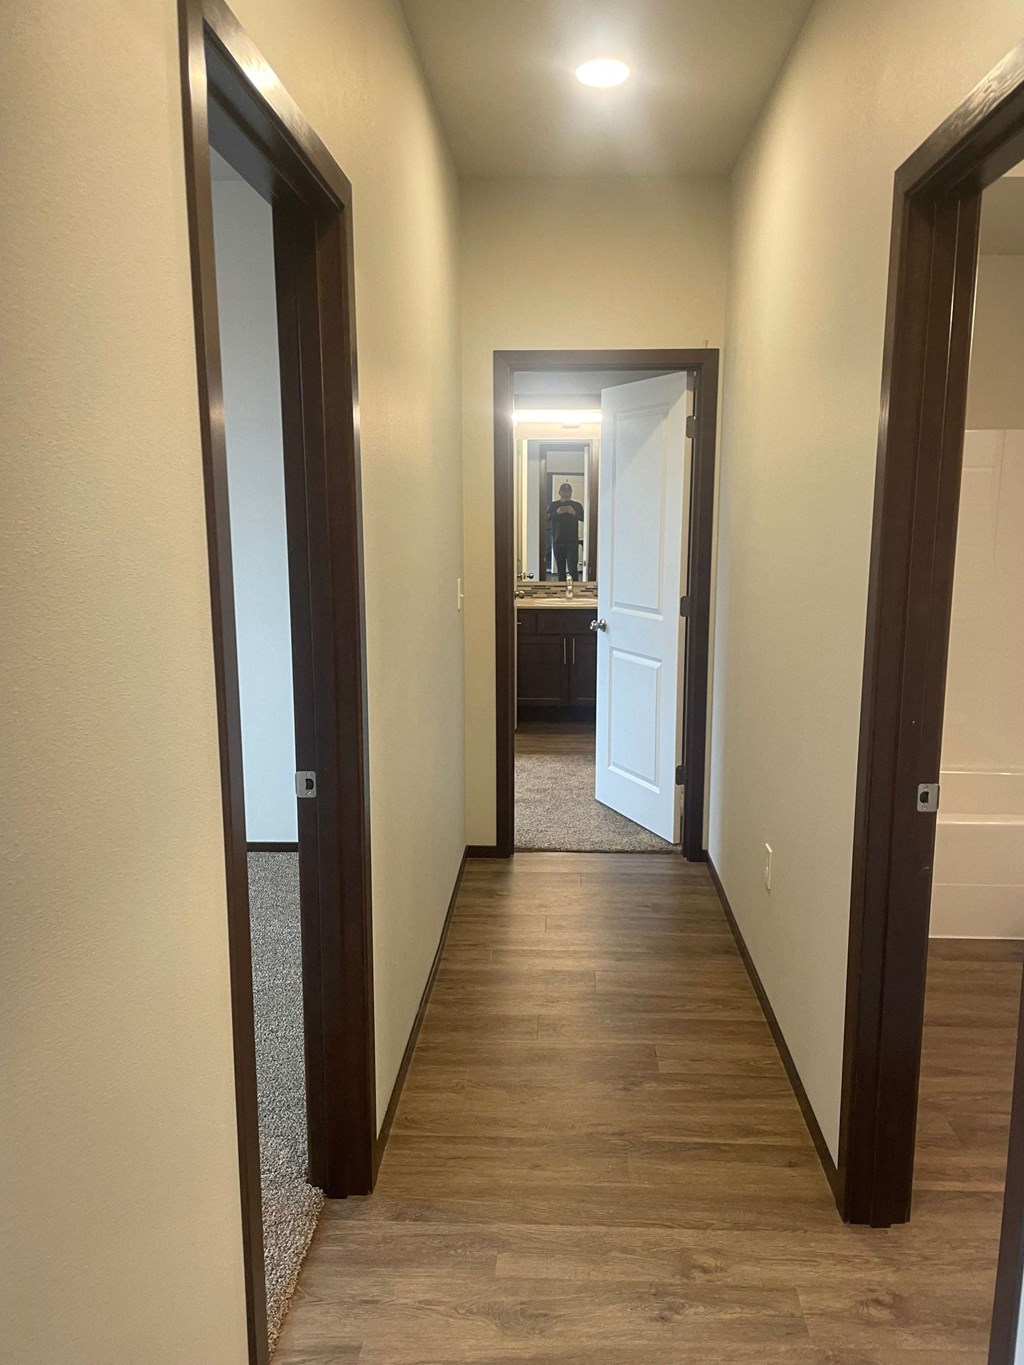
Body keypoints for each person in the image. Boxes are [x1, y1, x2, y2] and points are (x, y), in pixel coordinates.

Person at [547, 481, 585, 580]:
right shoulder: (553, 505)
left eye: (568, 491)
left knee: (573, 569)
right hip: (557, 541)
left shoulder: (577, 505)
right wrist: (557, 512)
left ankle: (575, 591)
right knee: (560, 570)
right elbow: (546, 518)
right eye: (564, 491)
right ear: (559, 492)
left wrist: (574, 513)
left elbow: (585, 518)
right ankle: (561, 592)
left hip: (572, 541)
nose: (566, 493)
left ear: (571, 492)